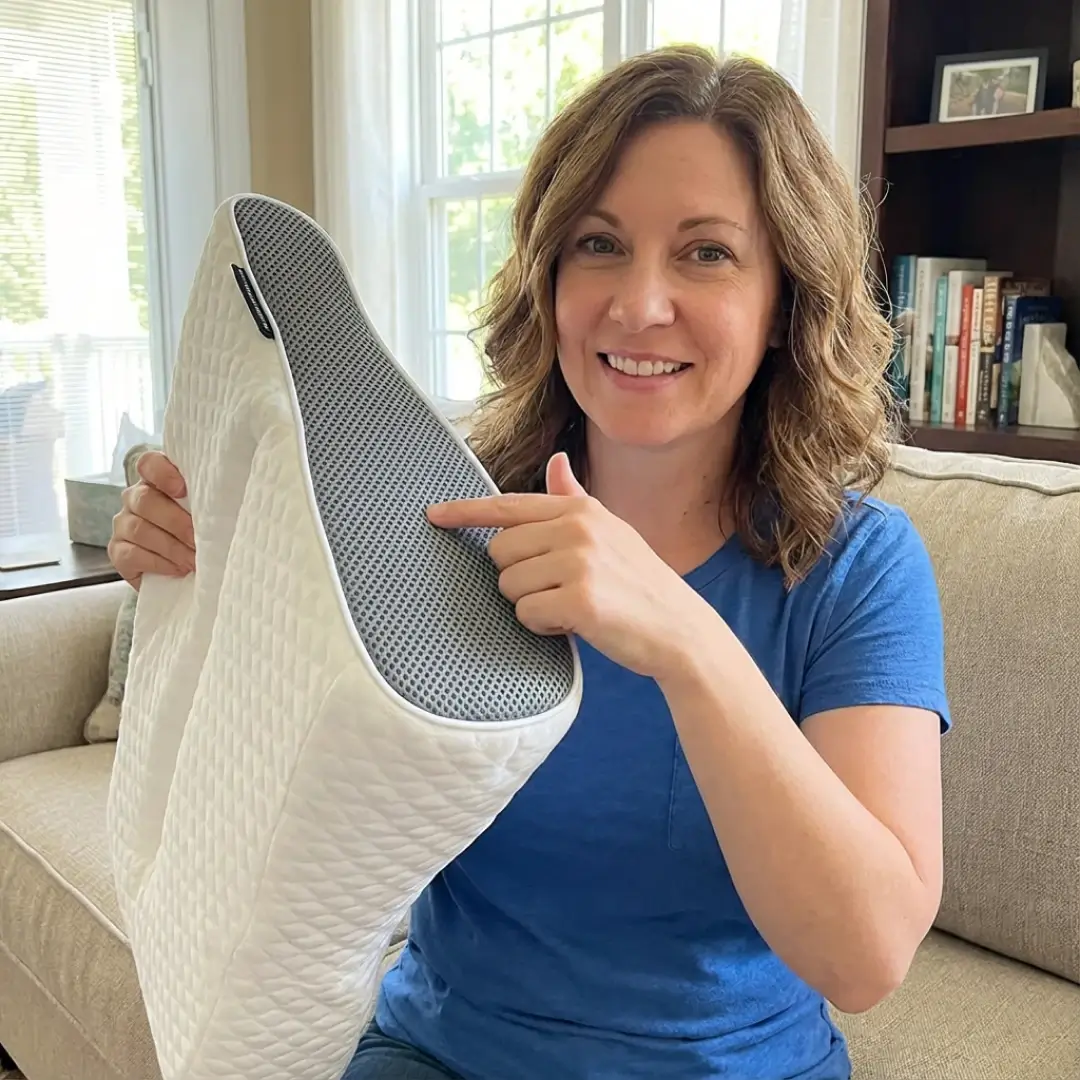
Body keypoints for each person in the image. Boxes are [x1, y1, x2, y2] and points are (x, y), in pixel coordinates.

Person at [108, 45, 950, 1080]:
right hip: (441, 1058)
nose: (639, 305)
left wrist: (686, 639)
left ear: (786, 300)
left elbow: (864, 959)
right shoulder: (442, 508)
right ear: (549, 277)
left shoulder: (858, 568)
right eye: (599, 244)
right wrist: (196, 577)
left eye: (707, 254)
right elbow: (283, 761)